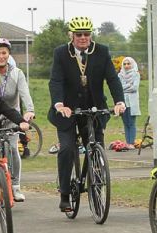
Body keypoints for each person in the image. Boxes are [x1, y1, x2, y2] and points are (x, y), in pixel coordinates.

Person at [48, 16, 125, 212]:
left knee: (96, 147)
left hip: (93, 109)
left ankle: (96, 186)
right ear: (71, 35)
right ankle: (65, 194)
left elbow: (112, 79)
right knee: (67, 149)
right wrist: (59, 104)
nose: (83, 38)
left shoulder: (102, 51)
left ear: (91, 35)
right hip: (67, 111)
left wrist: (119, 101)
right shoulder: (61, 53)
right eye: (78, 34)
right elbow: (55, 81)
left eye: (86, 34)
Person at [0, 38, 35, 201]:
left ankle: (15, 186)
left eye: (4, 53)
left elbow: (24, 93)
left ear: (8, 54)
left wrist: (29, 111)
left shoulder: (17, 73)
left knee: (13, 149)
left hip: (12, 117)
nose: (1, 56)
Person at [118, 56, 141, 150]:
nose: (126, 65)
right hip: (123, 102)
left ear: (132, 64)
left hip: (132, 102)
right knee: (125, 123)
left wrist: (125, 87)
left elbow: (135, 88)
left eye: (128, 63)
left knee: (131, 123)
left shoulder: (136, 74)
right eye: (124, 64)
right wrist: (129, 85)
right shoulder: (120, 75)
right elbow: (119, 88)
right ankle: (127, 142)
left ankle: (131, 143)